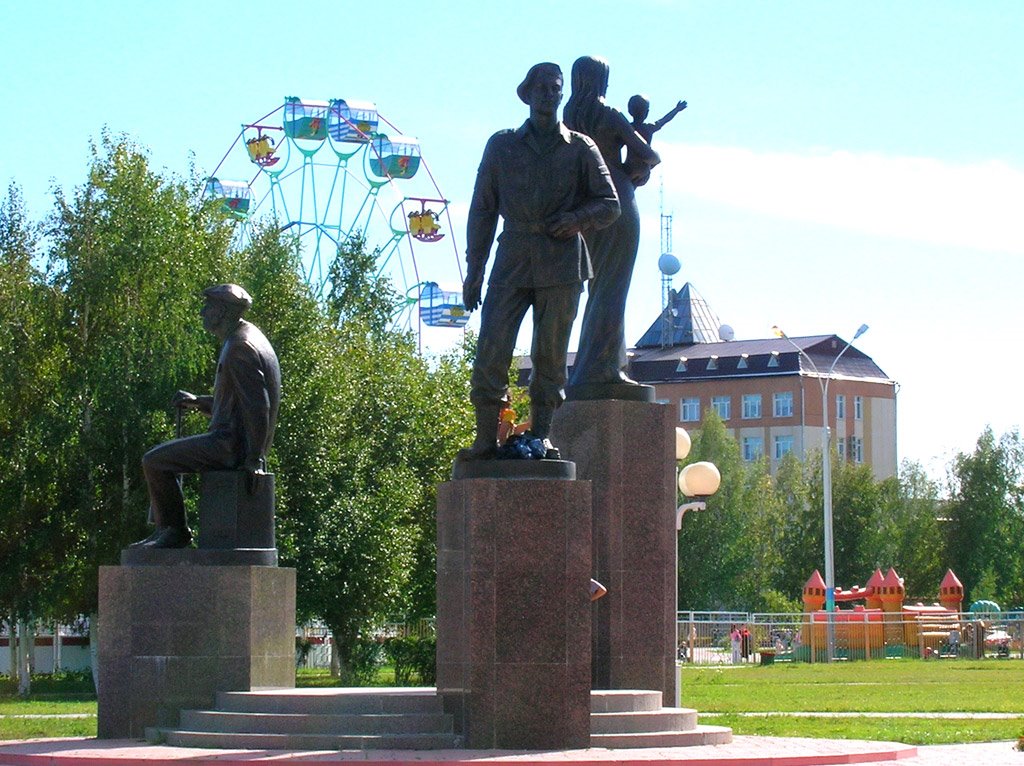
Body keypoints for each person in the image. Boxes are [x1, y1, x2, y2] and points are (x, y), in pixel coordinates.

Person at [458, 62, 620, 461]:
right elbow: (482, 210)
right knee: (492, 349)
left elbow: (610, 203)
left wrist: (577, 219)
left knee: (550, 355)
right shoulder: (502, 145)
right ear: (527, 93)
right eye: (541, 87)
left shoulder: (580, 147)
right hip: (512, 258)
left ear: (562, 94)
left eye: (555, 88)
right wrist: (475, 269)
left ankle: (542, 434)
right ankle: (486, 439)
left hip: (562, 262)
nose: (549, 94)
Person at [132, 284, 281, 549]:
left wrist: (254, 459)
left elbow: (259, 407)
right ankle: (168, 529)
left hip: (229, 446)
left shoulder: (240, 347)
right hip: (234, 442)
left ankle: (175, 531)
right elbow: (236, 406)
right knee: (159, 459)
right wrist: (197, 402)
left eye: (208, 307)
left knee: (155, 461)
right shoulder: (246, 338)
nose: (202, 312)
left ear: (222, 311)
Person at [563, 56, 661, 397]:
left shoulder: (569, 117)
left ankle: (593, 368)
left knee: (598, 288)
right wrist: (631, 170)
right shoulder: (609, 114)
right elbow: (649, 155)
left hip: (585, 207)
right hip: (618, 201)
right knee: (612, 289)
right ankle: (604, 369)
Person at [625, 95, 686, 187]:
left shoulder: (627, 128)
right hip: (643, 170)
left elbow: (664, 120)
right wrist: (676, 110)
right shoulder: (648, 128)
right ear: (647, 112)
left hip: (630, 168)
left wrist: (676, 110)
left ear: (630, 111)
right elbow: (664, 120)